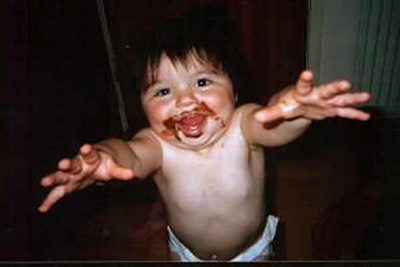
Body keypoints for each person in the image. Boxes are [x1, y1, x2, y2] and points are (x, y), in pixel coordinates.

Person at [38, 6, 370, 261]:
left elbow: (271, 124)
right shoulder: (157, 144)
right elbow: (131, 155)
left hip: (252, 253)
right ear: (142, 105)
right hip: (187, 254)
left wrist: (295, 112)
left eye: (202, 82)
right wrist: (105, 159)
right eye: (163, 91)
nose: (184, 100)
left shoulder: (242, 125)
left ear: (235, 92)